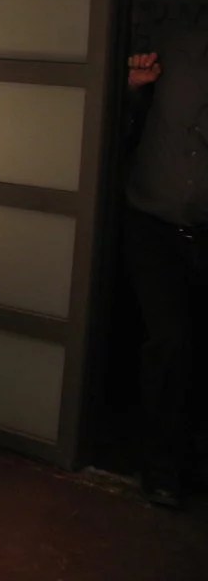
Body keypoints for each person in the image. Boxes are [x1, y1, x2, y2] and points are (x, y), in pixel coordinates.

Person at [123, 34, 208, 506]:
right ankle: (160, 469)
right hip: (153, 223)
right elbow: (114, 120)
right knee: (169, 341)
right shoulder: (173, 47)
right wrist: (136, 87)